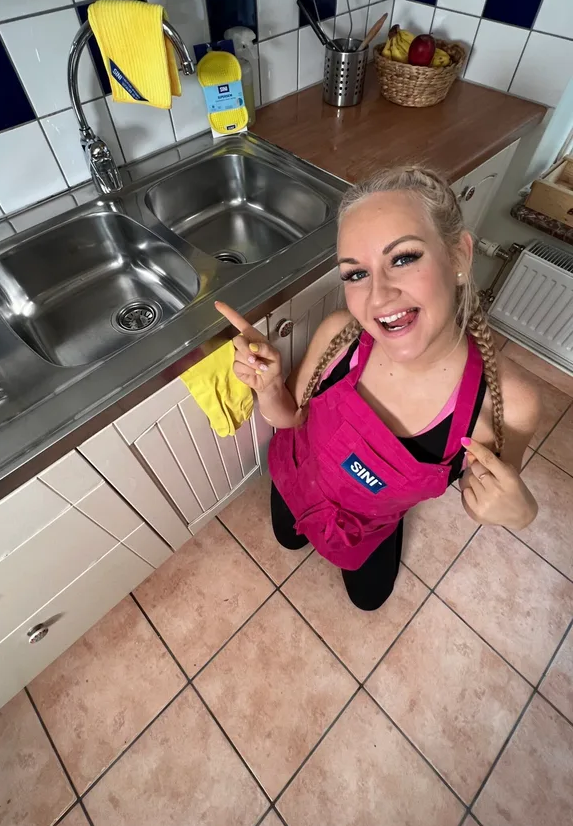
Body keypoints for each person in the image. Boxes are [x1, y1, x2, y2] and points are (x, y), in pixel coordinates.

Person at [215, 166, 540, 611]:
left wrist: (521, 513)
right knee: (286, 542)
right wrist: (269, 388)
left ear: (459, 257)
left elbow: (488, 494)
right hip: (297, 479)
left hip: (369, 524)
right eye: (356, 274)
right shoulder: (337, 338)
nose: (380, 297)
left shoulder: (507, 403)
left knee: (370, 599)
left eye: (403, 258)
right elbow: (290, 417)